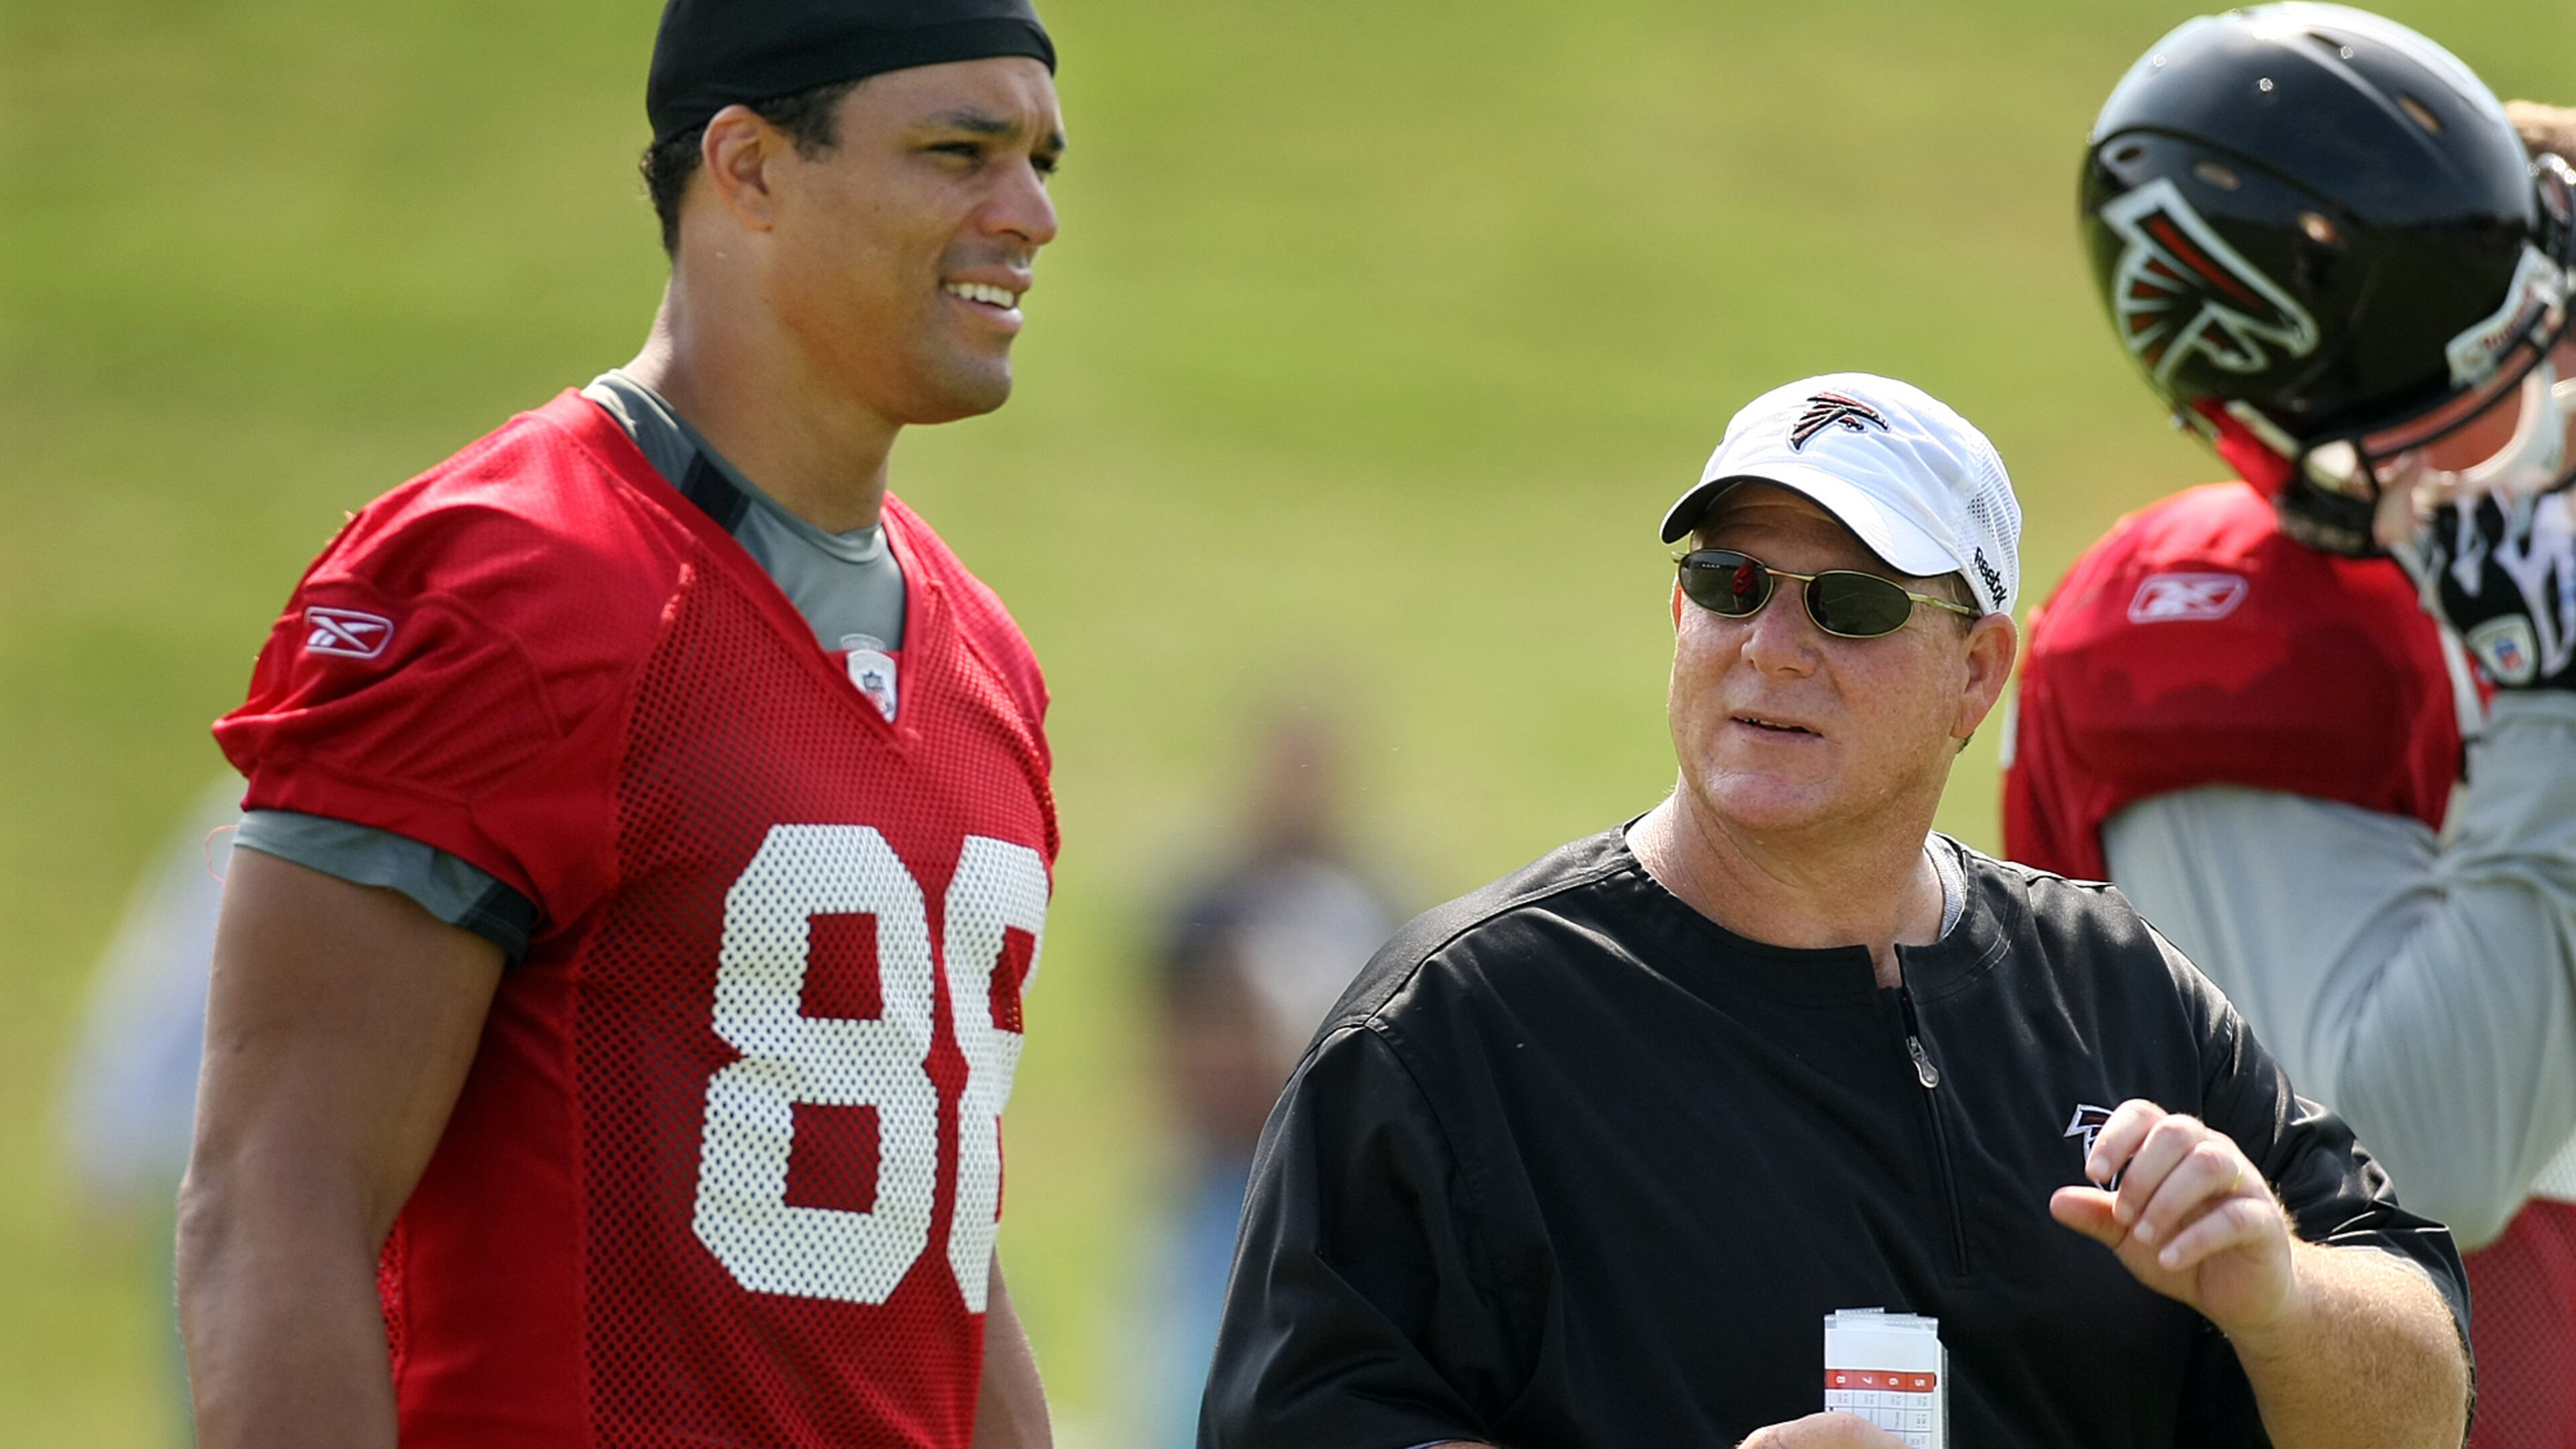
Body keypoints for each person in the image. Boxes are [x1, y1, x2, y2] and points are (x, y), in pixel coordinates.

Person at [1201, 372, 2471, 1449]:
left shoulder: (2116, 988)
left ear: (1977, 675)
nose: (1772, 646)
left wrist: (2280, 1300)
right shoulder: (1450, 1034)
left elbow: (2426, 1401)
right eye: (1731, 581)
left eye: (1853, 604)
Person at [177, 2, 1069, 1446]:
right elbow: (276, 1190)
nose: (1026, 212)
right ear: (751, 167)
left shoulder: (983, 653)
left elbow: (925, 1235)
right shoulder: (499, 577)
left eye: (1038, 158)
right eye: (961, 151)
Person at [2004, 9, 2576, 1444]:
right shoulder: (2230, 634)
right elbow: (2427, 1164)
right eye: (2520, 366)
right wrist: (2557, 712)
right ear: (2331, 436)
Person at [1142, 712, 1397, 1448]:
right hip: (1226, 1182)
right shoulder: (1211, 906)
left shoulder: (1370, 901)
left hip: (1333, 1192)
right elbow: (1174, 1044)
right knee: (1191, 1380)